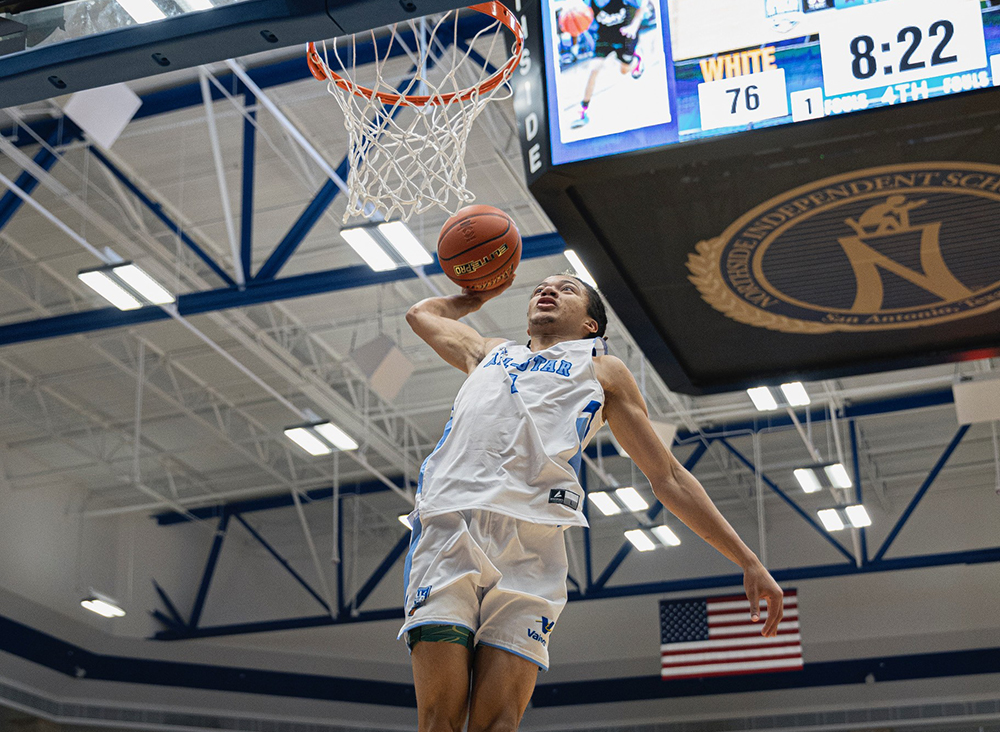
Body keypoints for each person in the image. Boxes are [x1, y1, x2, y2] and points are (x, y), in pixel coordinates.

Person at [402, 274, 784, 732]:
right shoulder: (489, 351)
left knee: (497, 723)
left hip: (532, 544)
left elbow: (668, 476)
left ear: (590, 325)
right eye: (541, 286)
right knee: (438, 720)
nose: (547, 290)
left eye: (566, 289)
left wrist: (747, 559)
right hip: (450, 527)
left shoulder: (603, 371)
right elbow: (422, 314)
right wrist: (474, 295)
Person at [570, 0, 647, 130]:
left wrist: (634, 26)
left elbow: (643, 4)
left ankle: (637, 60)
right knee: (594, 68)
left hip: (625, 34)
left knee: (624, 70)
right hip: (604, 37)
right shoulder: (587, 2)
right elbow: (576, 19)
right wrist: (575, 44)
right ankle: (583, 110)